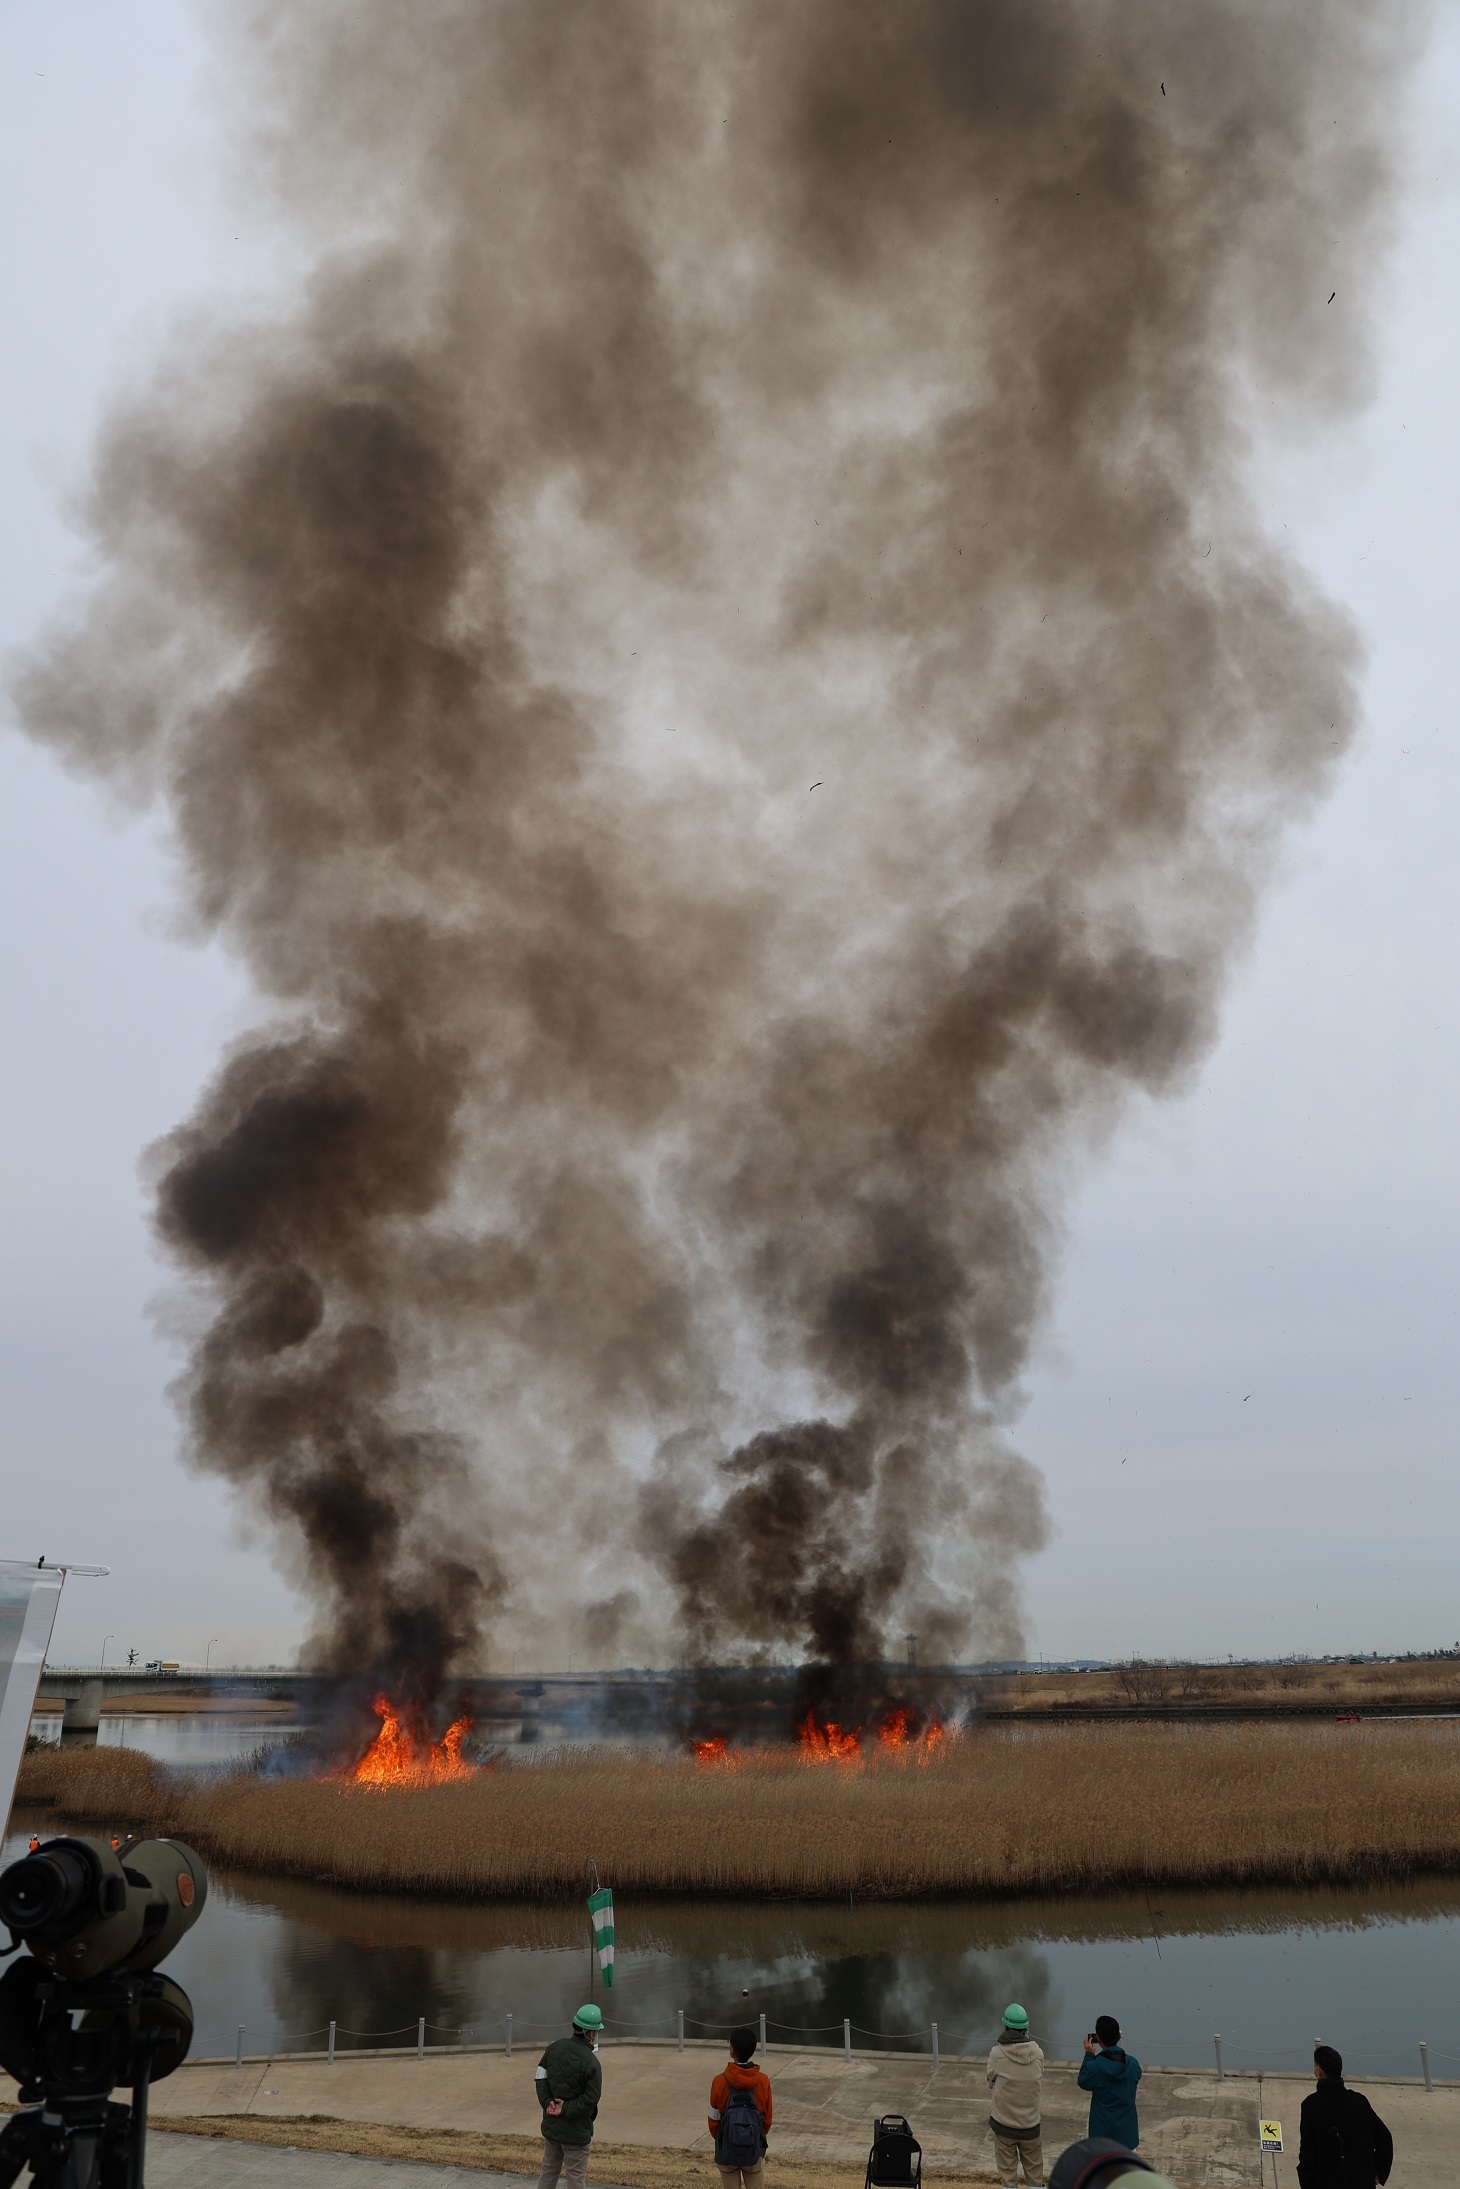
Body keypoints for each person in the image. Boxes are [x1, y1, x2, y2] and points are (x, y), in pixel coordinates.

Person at [1297, 2045, 1393, 2189]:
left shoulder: (1311, 2105)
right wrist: (1377, 2173)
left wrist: (1306, 2182)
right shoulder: (1359, 2102)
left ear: (1319, 2071)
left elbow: (1307, 2155)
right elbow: (1385, 2138)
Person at [534, 2003, 603, 2189]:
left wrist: (548, 2103)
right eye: (595, 2032)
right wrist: (565, 2108)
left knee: (548, 2173)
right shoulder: (592, 2063)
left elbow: (540, 2077)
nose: (596, 2035)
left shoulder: (553, 2048)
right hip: (576, 2133)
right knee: (575, 2179)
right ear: (589, 2034)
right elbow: (590, 2099)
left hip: (552, 2128)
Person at [986, 2002, 1046, 2187]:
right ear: (1025, 2028)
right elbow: (1040, 2074)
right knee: (1035, 2176)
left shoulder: (997, 2053)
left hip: (1004, 2125)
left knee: (1008, 2177)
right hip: (1030, 2125)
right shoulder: (1037, 2052)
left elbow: (990, 2080)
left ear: (1005, 2026)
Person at [709, 2023, 773, 2187]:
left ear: (732, 2051)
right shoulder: (763, 2081)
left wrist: (724, 2138)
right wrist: (754, 2136)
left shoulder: (719, 2081)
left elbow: (713, 2120)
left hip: (726, 2151)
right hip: (753, 2149)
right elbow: (767, 2119)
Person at [1079, 2016, 1141, 2149]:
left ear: (1098, 2040)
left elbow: (1083, 2081)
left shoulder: (1094, 2067)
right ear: (1119, 2037)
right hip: (1127, 2139)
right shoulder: (1133, 2065)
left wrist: (1089, 2055)